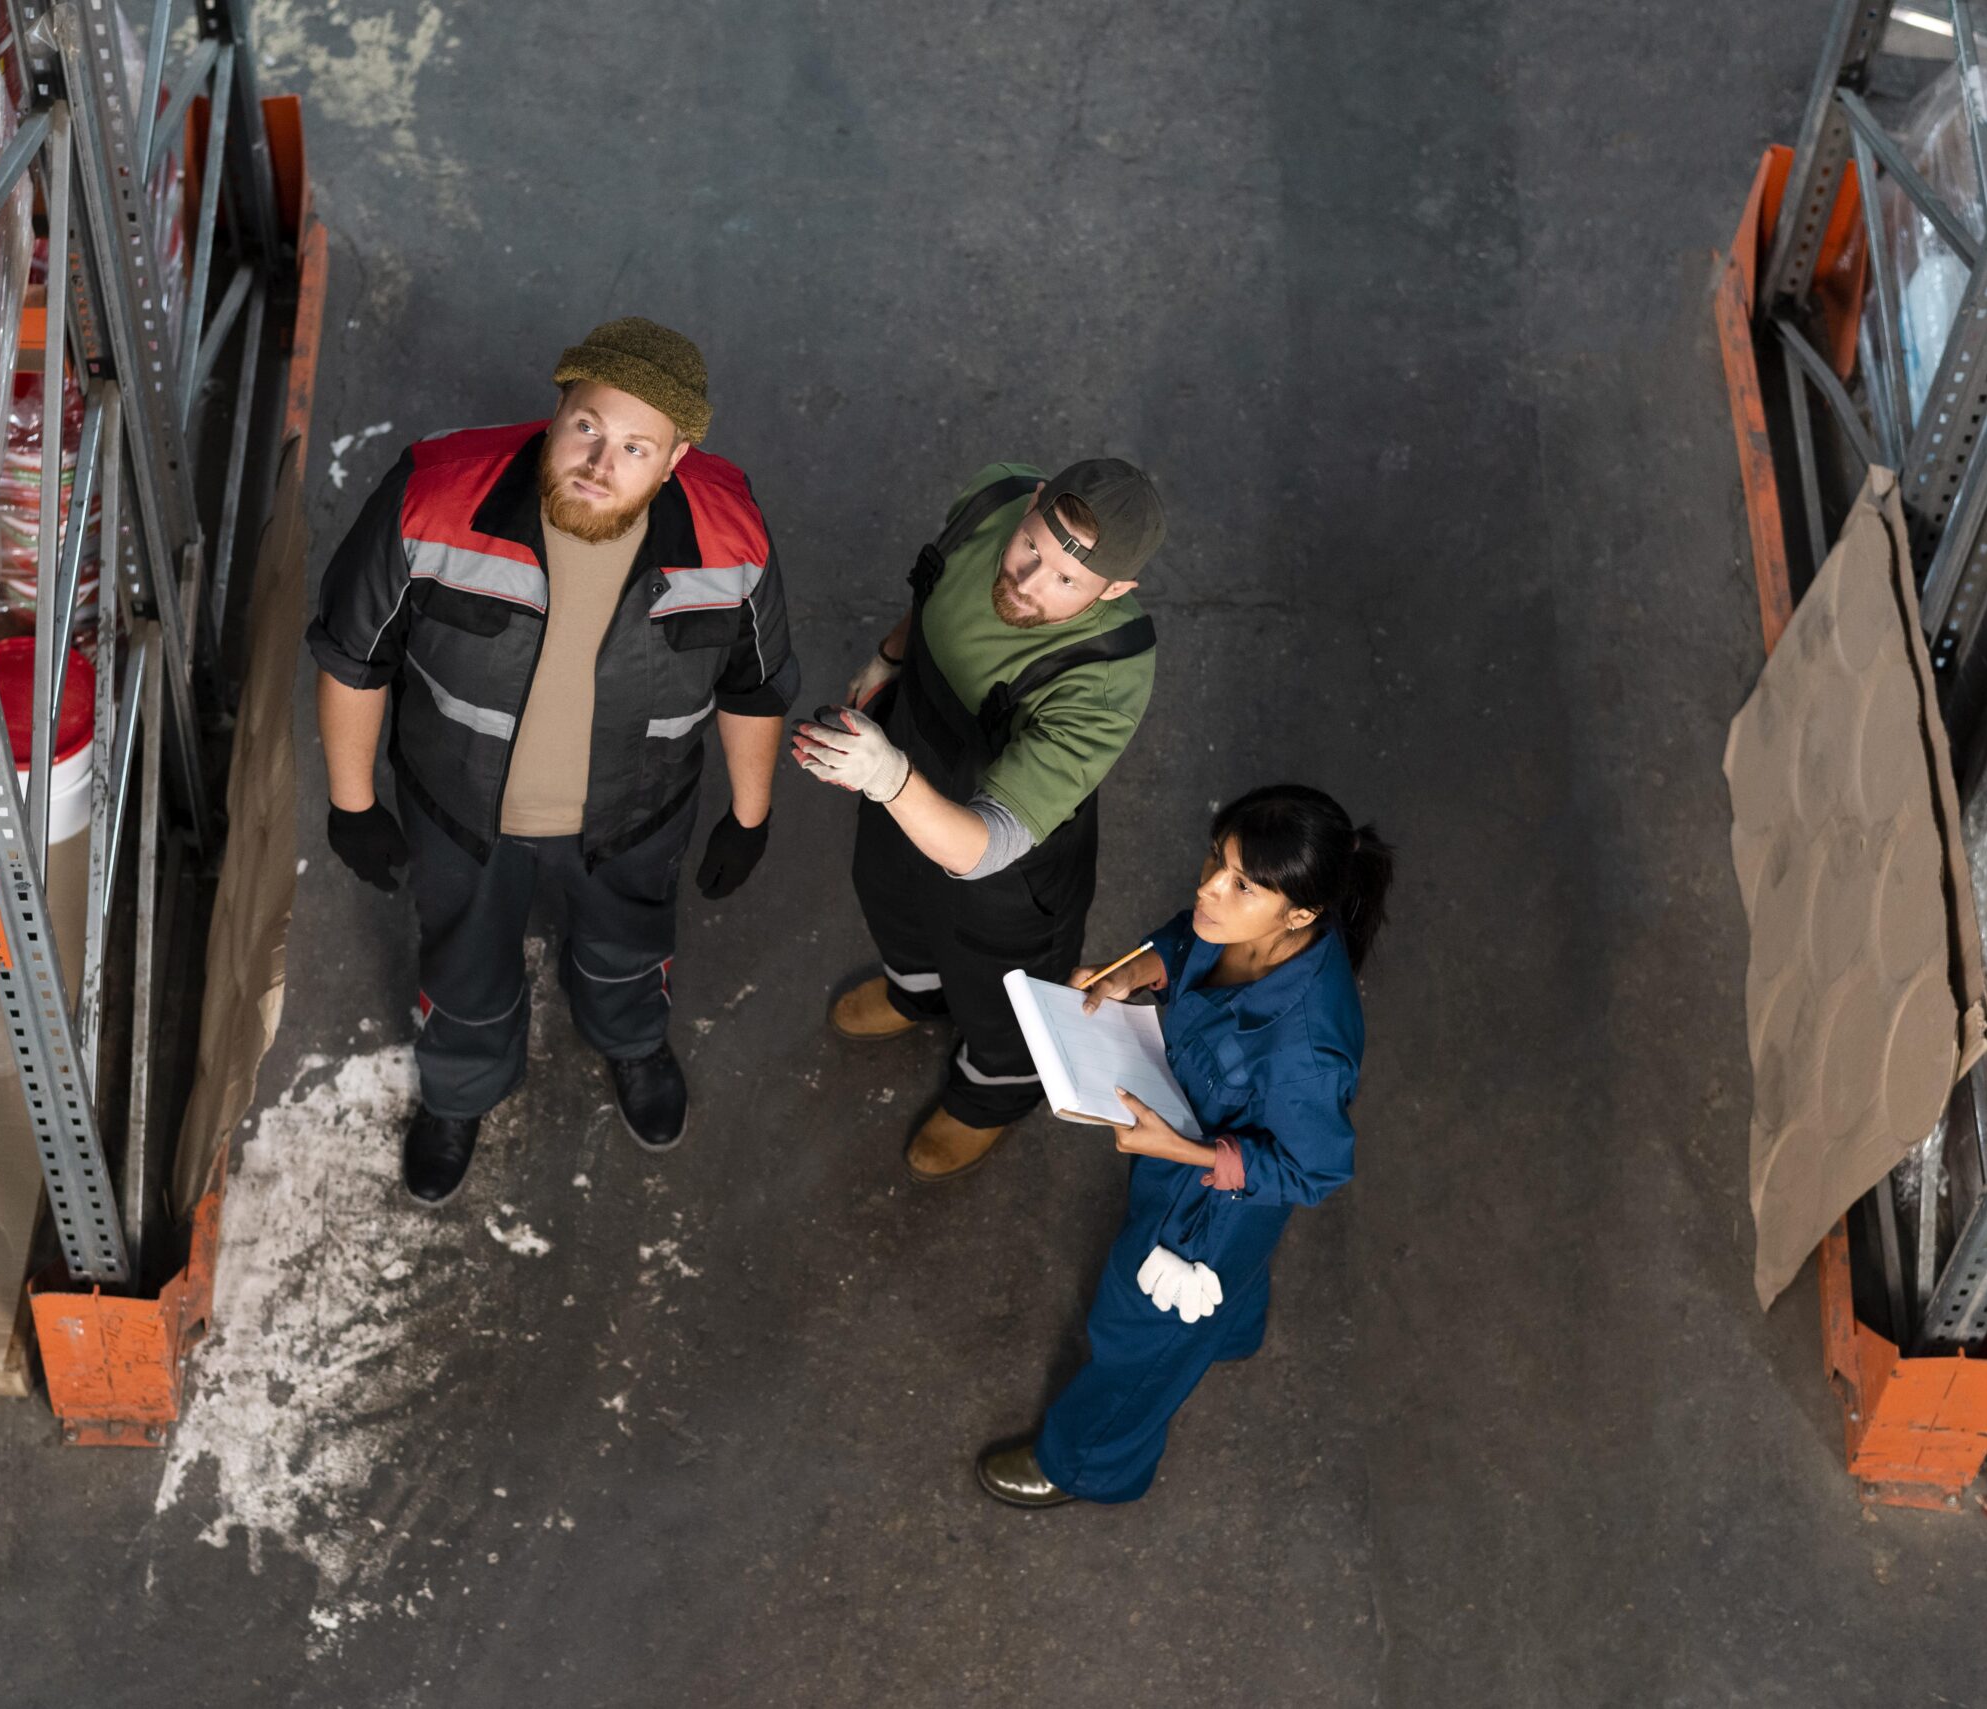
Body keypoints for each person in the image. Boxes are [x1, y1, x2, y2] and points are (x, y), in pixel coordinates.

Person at [308, 318, 798, 1203]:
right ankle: (461, 1087)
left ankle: (632, 1042)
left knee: (627, 948)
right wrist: (352, 803)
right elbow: (353, 654)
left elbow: (754, 685)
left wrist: (750, 815)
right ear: (558, 407)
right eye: (588, 427)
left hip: (635, 818)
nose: (601, 464)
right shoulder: (434, 495)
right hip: (460, 816)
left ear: (677, 458)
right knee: (465, 967)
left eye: (636, 448)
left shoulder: (731, 534)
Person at [974, 785, 1392, 1508]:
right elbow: (1186, 938)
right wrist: (1134, 972)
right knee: (1225, 1290)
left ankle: (1086, 1462)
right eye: (1215, 860)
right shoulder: (1237, 927)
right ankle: (1229, 1330)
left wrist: (1185, 1152)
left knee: (1136, 1334)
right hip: (1184, 1145)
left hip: (1208, 1210)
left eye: (1240, 884)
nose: (1208, 889)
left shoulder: (1308, 1049)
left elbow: (1314, 1168)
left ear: (1301, 913)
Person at [791, 458, 1162, 1183]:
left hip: (1003, 864)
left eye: (1067, 581)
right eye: (1032, 548)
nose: (1028, 582)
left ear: (1115, 591)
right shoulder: (990, 498)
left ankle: (992, 1093)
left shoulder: (1107, 673)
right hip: (904, 759)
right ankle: (917, 992)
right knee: (888, 891)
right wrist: (890, 657)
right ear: (1029, 501)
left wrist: (889, 777)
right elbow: (935, 591)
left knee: (1003, 987)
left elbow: (983, 846)